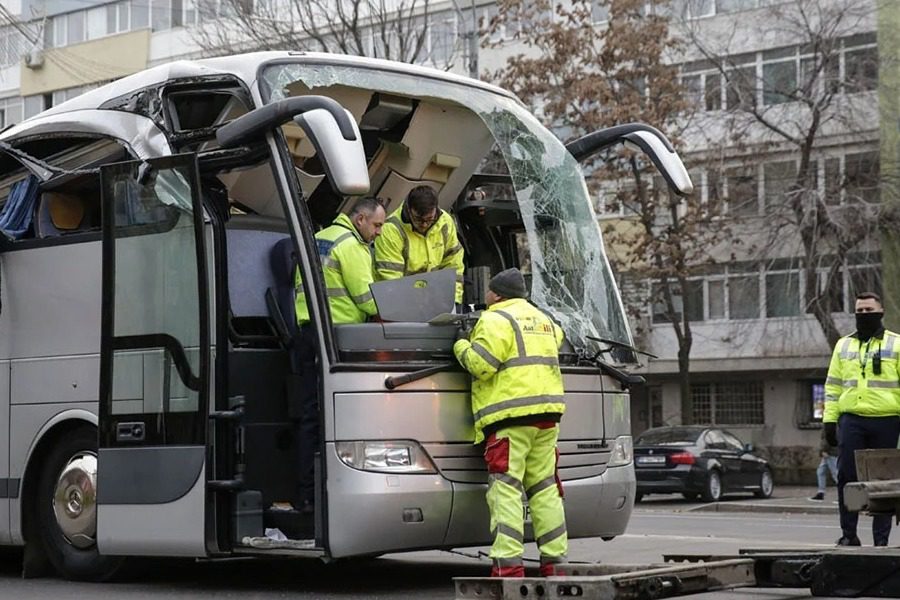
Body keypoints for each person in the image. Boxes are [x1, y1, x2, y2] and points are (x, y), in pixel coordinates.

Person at [452, 268, 567, 577]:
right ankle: (554, 563)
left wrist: (461, 344)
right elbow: (557, 340)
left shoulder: (493, 319)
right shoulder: (544, 321)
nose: (486, 296)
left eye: (489, 291)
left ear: (497, 294)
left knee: (506, 490)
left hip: (510, 419)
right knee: (545, 489)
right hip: (547, 416)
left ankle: (508, 565)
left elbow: (482, 365)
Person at [293, 197, 386, 512]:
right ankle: (336, 495)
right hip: (338, 338)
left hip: (308, 332)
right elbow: (369, 301)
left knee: (310, 416)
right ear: (360, 219)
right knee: (343, 418)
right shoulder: (352, 247)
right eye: (377, 225)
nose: (379, 233)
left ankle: (307, 494)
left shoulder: (318, 239)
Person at [823, 291, 900, 546]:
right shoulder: (843, 345)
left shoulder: (896, 344)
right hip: (852, 419)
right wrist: (829, 421)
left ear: (880, 312)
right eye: (860, 311)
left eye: (869, 310)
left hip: (887, 419)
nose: (864, 315)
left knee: (885, 482)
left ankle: (881, 541)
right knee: (847, 477)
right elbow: (833, 386)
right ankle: (849, 534)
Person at [374, 185, 465, 304]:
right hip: (404, 303)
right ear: (409, 209)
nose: (424, 224)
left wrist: (454, 301)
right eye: (418, 219)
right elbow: (391, 279)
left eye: (429, 219)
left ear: (435, 209)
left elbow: (454, 265)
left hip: (434, 301)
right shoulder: (391, 230)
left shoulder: (445, 222)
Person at [808, 428, 838, 502]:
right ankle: (821, 492)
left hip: (830, 452)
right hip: (830, 452)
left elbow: (826, 438)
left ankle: (842, 495)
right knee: (821, 471)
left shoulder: (829, 424)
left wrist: (824, 450)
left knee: (836, 474)